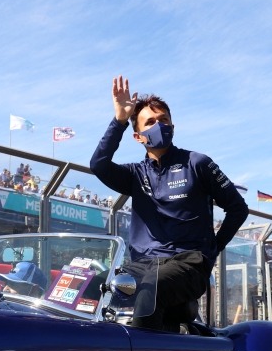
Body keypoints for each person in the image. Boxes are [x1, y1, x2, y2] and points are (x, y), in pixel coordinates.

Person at [89, 76, 249, 329]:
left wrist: (212, 250)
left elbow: (238, 209)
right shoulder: (134, 174)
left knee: (151, 288)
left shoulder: (197, 163)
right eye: (150, 122)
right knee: (86, 286)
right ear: (138, 136)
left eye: (163, 120)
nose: (158, 125)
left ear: (173, 127)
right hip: (141, 266)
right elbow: (98, 165)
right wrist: (119, 120)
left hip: (188, 264)